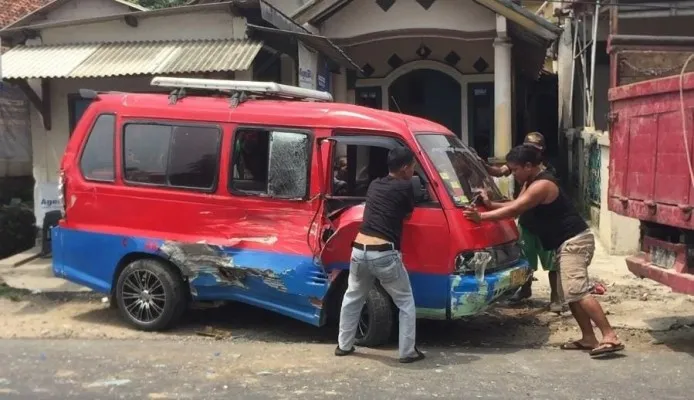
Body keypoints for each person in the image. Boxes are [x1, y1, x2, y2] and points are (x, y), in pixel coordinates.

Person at [464, 145, 624, 357]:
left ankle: (610, 336)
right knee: (571, 295)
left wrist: (481, 217)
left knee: (579, 291)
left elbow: (515, 209)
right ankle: (588, 338)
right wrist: (490, 203)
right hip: (565, 243)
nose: (513, 174)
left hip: (574, 242)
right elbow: (516, 203)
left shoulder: (543, 184)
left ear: (528, 166)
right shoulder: (532, 182)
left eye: (515, 170)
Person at [335, 146, 425, 364]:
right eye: (413, 166)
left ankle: (343, 345)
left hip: (358, 249)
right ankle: (407, 352)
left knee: (353, 297)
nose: (413, 171)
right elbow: (408, 213)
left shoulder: (375, 184)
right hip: (384, 253)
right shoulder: (405, 187)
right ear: (405, 168)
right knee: (405, 301)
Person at [478, 132, 561, 311]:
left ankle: (556, 297)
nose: (514, 173)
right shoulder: (523, 165)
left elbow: (516, 206)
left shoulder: (545, 175)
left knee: (552, 263)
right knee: (525, 260)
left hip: (546, 225)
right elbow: (499, 172)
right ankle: (525, 289)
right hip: (528, 222)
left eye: (534, 147)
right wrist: (479, 163)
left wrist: (484, 214)